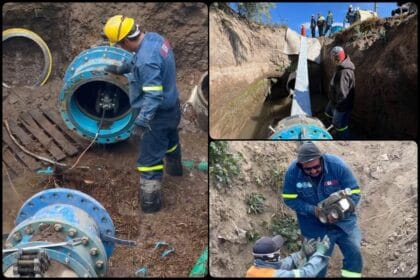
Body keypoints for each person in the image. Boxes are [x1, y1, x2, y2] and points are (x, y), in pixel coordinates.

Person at [102, 15, 183, 213]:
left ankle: (151, 207)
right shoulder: (155, 38)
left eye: (121, 45)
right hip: (173, 108)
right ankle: (176, 170)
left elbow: (153, 96)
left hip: (157, 116)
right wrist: (125, 67)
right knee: (171, 142)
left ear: (127, 40)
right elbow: (146, 58)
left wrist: (142, 121)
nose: (122, 49)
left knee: (148, 161)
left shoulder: (146, 62)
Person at [282, 141, 363, 277]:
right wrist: (313, 210)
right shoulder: (293, 173)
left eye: (316, 167)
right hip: (314, 227)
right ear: (300, 165)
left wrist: (339, 212)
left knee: (354, 255)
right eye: (308, 169)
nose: (313, 171)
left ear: (321, 159)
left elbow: (355, 192)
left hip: (344, 224)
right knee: (315, 266)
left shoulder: (337, 166)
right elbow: (289, 199)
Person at [246, 234, 330, 277]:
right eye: (277, 250)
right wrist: (319, 253)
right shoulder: (275, 276)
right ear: (271, 257)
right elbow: (305, 273)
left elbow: (283, 264)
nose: (279, 251)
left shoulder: (253, 271)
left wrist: (301, 253)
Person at [324, 46, 355, 139]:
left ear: (337, 58)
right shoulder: (341, 66)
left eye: (333, 58)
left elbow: (343, 95)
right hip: (334, 100)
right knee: (327, 112)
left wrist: (338, 110)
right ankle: (333, 127)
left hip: (342, 106)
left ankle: (343, 140)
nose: (332, 60)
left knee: (341, 126)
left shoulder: (344, 72)